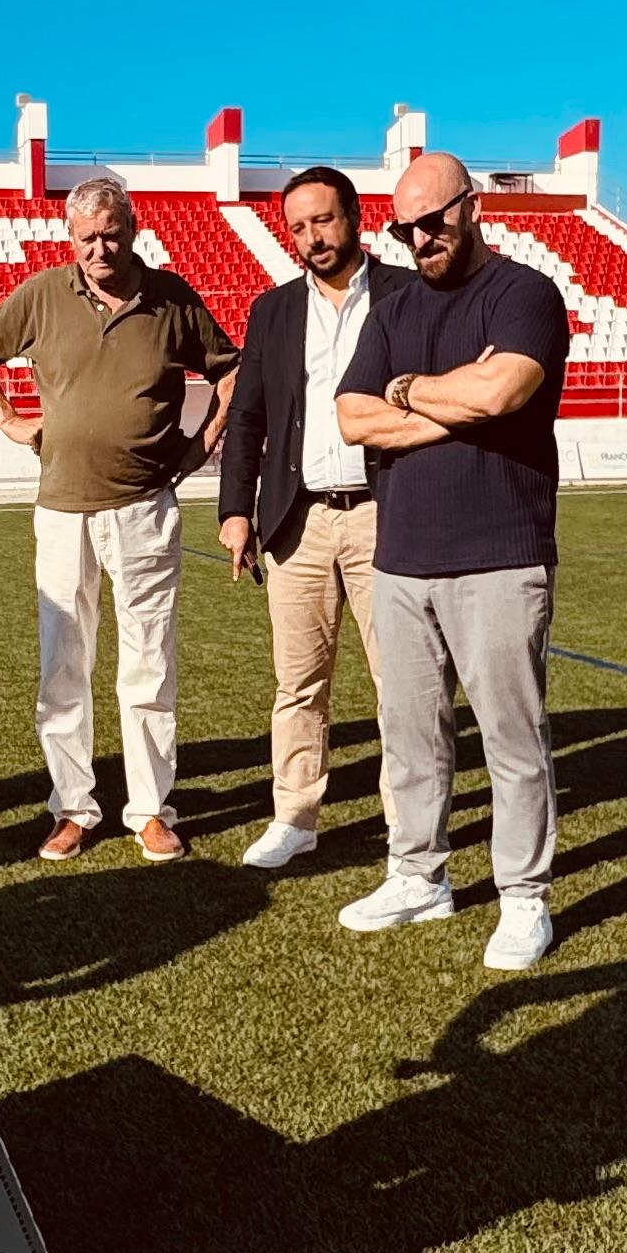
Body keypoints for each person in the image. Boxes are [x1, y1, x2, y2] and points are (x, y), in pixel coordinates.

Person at [0, 174, 236, 864]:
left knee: (147, 664)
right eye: (86, 238)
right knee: (63, 665)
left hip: (144, 508)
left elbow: (230, 373)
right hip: (61, 511)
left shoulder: (172, 298)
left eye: (111, 234)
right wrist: (12, 422)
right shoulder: (46, 294)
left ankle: (150, 810)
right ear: (70, 238)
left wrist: (201, 449)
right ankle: (72, 807)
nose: (99, 249)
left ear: (133, 228)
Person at [334, 153, 568, 971]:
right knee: (409, 735)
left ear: (472, 208)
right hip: (401, 558)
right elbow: (353, 416)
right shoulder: (392, 307)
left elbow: (503, 392)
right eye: (405, 228)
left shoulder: (524, 293)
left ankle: (523, 895)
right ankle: (417, 875)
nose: (420, 238)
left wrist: (409, 393)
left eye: (434, 220)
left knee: (512, 735)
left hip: (500, 555)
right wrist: (438, 401)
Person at [214, 163, 404, 870]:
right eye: (297, 227)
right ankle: (294, 817)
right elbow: (248, 419)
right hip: (297, 522)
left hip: (387, 514)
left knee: (403, 682)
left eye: (323, 220)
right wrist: (237, 512)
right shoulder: (272, 310)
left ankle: (407, 822)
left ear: (355, 217)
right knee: (298, 684)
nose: (311, 238)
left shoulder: (404, 294)